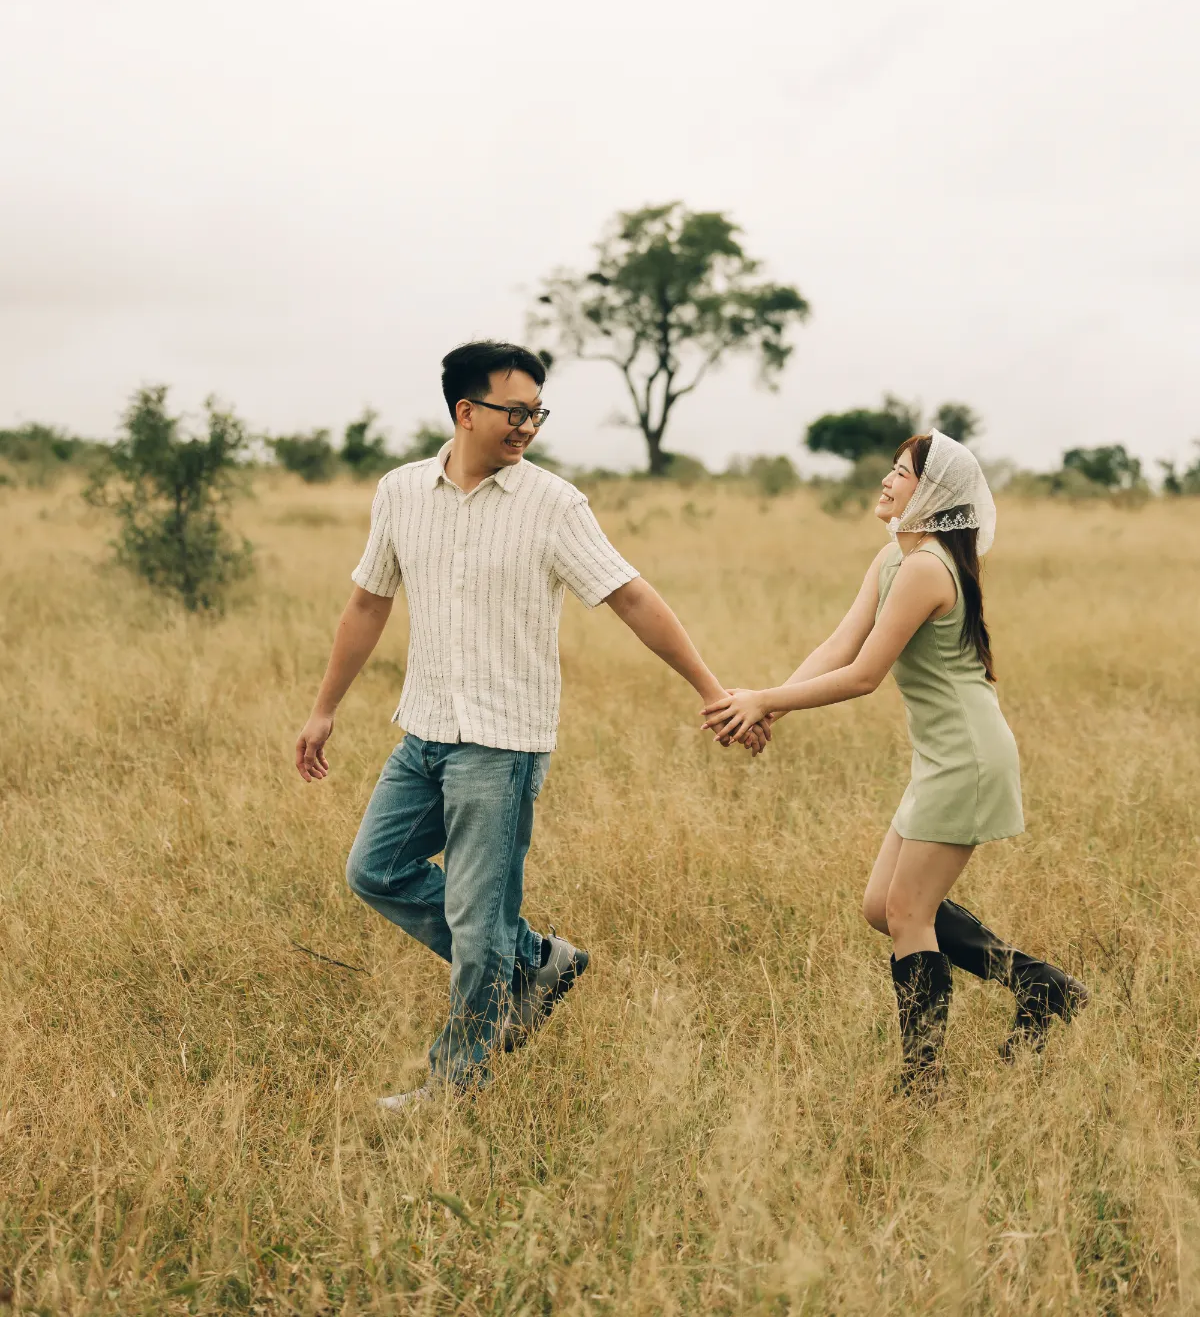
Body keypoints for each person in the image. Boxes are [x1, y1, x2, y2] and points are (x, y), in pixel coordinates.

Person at [295, 340, 765, 1109]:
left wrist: (711, 690)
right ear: (465, 410)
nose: (528, 427)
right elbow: (368, 602)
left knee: (476, 921)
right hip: (425, 731)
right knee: (374, 871)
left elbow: (630, 596)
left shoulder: (553, 504)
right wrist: (324, 709)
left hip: (502, 746)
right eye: (515, 412)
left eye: (537, 413)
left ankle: (456, 1085)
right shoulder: (401, 492)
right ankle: (539, 960)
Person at [701, 429, 1087, 1091]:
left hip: (967, 758)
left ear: (933, 493)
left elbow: (863, 676)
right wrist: (768, 710)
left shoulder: (927, 568)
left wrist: (765, 698)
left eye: (903, 473)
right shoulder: (894, 559)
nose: (887, 480)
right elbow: (839, 647)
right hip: (943, 756)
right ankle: (1040, 985)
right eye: (892, 468)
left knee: (909, 912)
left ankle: (922, 1080)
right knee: (883, 906)